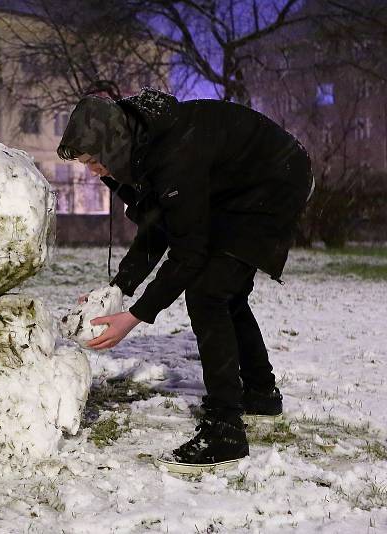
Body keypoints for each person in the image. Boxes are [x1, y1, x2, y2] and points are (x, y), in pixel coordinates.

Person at [57, 88, 314, 470]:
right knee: (226, 292)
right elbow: (160, 226)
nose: (93, 172)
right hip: (241, 185)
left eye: (94, 161)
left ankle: (225, 431)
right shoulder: (144, 148)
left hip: (275, 181)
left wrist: (136, 315)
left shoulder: (174, 154)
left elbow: (187, 251)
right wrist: (119, 287)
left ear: (113, 146)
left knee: (209, 291)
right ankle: (261, 393)